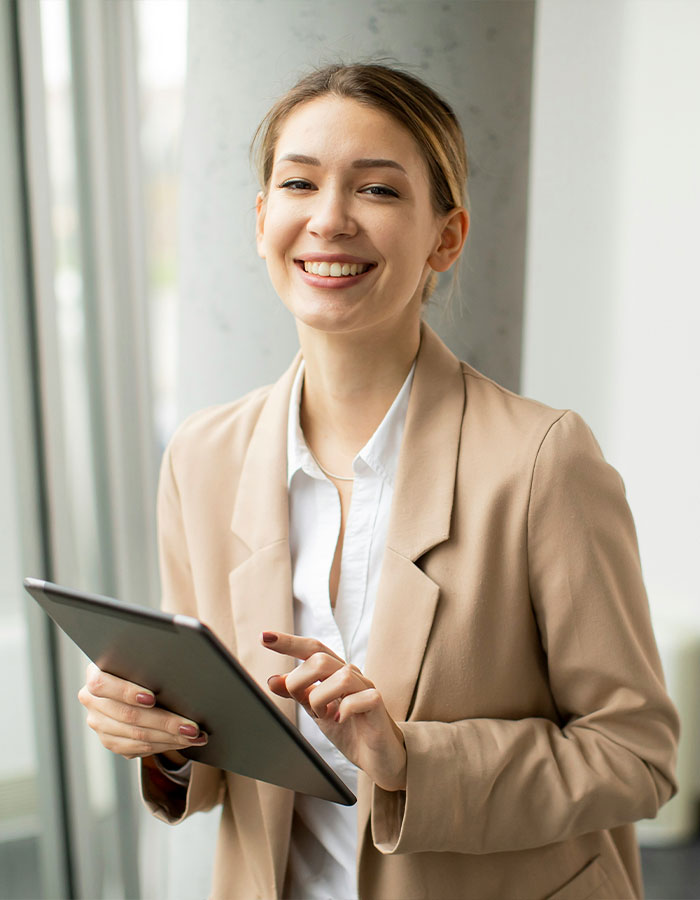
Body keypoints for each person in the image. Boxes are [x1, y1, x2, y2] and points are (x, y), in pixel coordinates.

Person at [78, 63, 679, 900]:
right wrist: (167, 740)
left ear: (447, 237)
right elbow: (226, 751)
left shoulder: (544, 459)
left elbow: (637, 755)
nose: (329, 220)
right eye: (298, 183)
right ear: (262, 221)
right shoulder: (201, 456)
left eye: (378, 191)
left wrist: (409, 760)